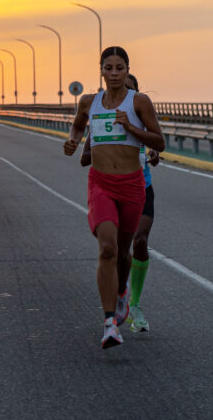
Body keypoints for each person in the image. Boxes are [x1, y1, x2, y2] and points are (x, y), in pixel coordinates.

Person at [64, 46, 164, 349]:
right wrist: (72, 141)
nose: (114, 73)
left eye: (120, 68)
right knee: (107, 248)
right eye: (109, 68)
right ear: (101, 71)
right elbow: (78, 125)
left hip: (132, 185)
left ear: (127, 69)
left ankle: (122, 293)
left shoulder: (140, 102)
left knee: (123, 253)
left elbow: (159, 141)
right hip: (101, 184)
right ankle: (110, 323)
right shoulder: (89, 102)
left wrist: (130, 127)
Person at [80, 73, 159, 333]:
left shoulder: (140, 112)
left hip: (141, 188)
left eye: (129, 90)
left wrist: (152, 152)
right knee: (114, 250)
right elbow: (85, 157)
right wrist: (101, 147)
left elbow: (156, 143)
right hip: (110, 187)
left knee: (140, 241)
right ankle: (119, 296)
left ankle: (134, 304)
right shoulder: (102, 118)